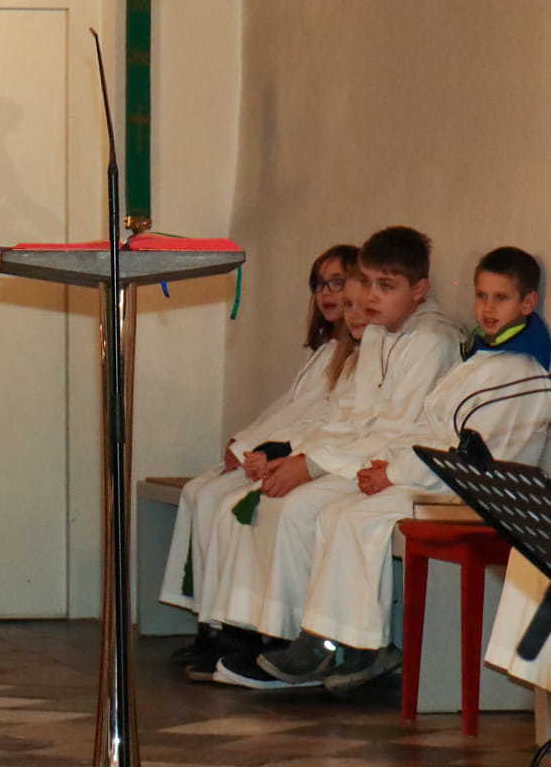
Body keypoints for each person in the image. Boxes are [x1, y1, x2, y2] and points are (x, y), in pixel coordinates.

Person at [258, 246, 551, 692]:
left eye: (501, 298)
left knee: (355, 518)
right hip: (433, 476)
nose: (488, 309)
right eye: (481, 296)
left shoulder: (523, 369)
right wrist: (389, 465)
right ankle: (332, 640)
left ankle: (360, 646)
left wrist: (394, 474)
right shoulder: (485, 356)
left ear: (527, 303)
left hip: (474, 495)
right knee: (338, 513)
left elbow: (469, 455)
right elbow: (428, 425)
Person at [200, 226, 462, 687]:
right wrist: (295, 458)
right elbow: (349, 417)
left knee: (303, 509)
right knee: (278, 498)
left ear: (419, 290)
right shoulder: (379, 334)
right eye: (367, 282)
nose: (371, 296)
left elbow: (396, 431)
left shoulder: (432, 340)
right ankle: (276, 634)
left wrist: (312, 466)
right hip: (361, 457)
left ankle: (322, 645)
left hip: (401, 466)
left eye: (386, 285)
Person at [162, 244, 360, 679]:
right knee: (199, 492)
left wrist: (271, 453)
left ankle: (248, 633)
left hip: (310, 457)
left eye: (338, 283)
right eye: (320, 285)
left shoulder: (359, 356)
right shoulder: (326, 351)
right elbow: (288, 408)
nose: (328, 294)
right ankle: (213, 623)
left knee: (227, 504)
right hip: (285, 450)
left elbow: (324, 421)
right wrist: (248, 442)